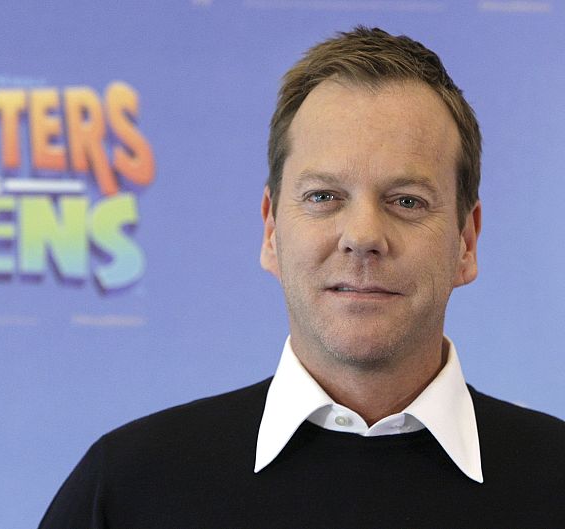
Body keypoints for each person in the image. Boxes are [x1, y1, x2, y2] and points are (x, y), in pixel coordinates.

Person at [38, 27, 565, 528]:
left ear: (466, 241)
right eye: (323, 196)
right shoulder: (127, 488)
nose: (363, 235)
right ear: (271, 230)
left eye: (407, 201)